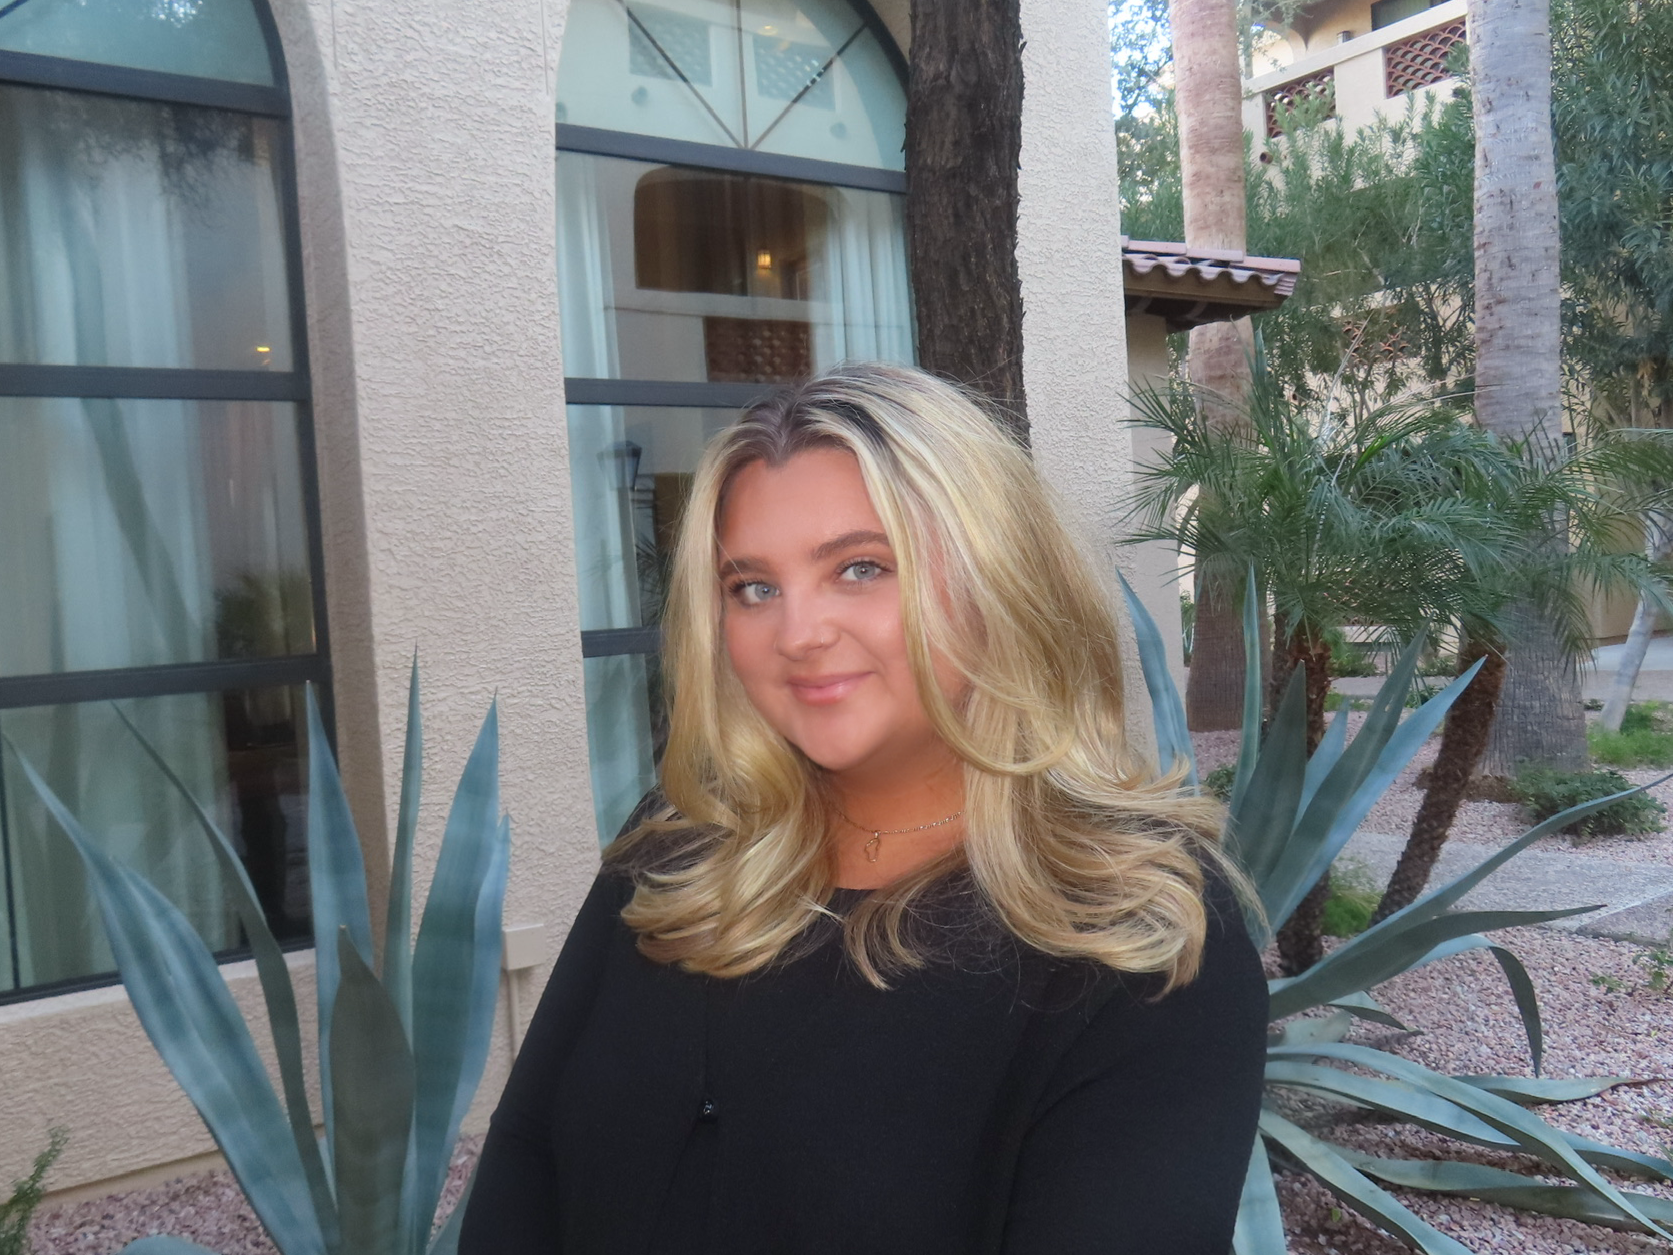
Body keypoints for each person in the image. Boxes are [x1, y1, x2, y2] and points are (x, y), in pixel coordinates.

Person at [459, 363, 1268, 1255]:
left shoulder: (1130, 931)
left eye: (859, 567)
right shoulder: (683, 847)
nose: (796, 633)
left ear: (999, 581)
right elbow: (526, 1157)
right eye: (751, 586)